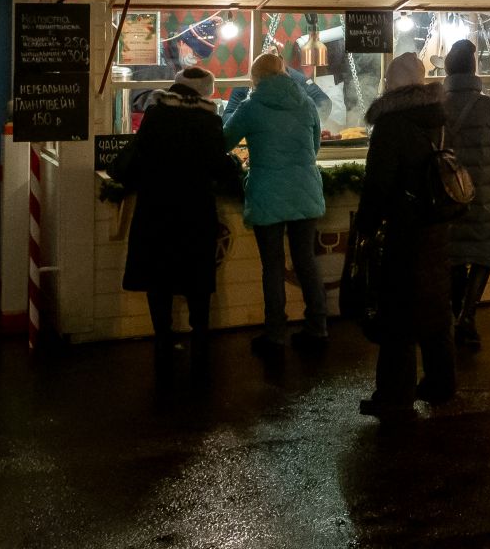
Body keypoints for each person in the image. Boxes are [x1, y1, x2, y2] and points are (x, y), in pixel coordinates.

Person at [107, 65, 233, 372]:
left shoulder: (156, 114)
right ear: (205, 90)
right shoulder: (208, 120)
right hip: (194, 211)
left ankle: (163, 339)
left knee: (159, 279)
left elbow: (136, 160)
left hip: (156, 209)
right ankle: (200, 341)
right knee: (197, 281)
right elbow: (221, 168)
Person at [355, 52, 455, 419]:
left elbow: (378, 184)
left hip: (404, 229)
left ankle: (394, 396)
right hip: (438, 225)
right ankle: (441, 383)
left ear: (390, 84)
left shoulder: (391, 124)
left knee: (397, 312)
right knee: (435, 307)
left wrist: (365, 227)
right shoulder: (440, 118)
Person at [222, 52, 328, 356]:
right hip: (305, 189)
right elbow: (316, 145)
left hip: (268, 191)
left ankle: (276, 334)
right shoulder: (306, 103)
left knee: (273, 266)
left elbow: (223, 140)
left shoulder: (251, 107)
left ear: (255, 78)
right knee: (306, 260)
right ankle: (318, 327)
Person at [442, 39, 490, 350]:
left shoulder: (438, 107)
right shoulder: (489, 106)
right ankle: (467, 317)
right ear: (474, 69)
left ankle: (456, 316)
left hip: (450, 196)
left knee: (456, 256)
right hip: (486, 196)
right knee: (485, 254)